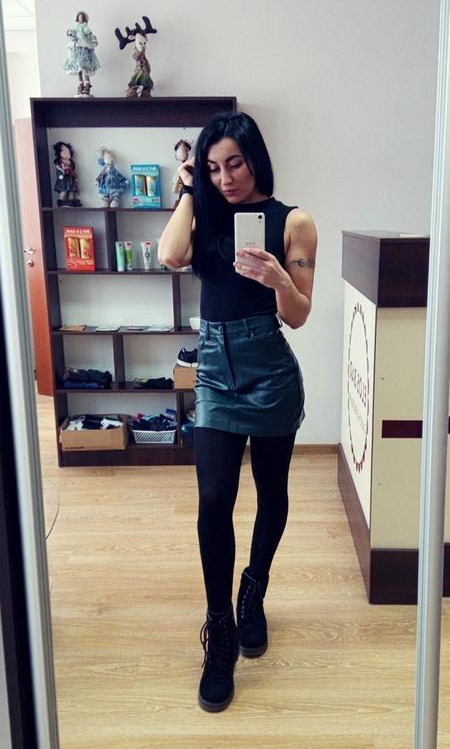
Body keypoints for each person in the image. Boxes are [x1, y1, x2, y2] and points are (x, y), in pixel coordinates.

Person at [158, 111, 317, 713]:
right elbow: (170, 255)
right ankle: (219, 629)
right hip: (215, 371)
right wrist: (187, 189)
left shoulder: (294, 222)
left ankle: (254, 592)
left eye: (235, 164)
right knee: (214, 497)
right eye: (212, 167)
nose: (225, 178)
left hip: (269, 369)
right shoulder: (201, 211)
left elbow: (299, 315)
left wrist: (279, 278)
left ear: (256, 160)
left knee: (272, 492)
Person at [63, 11, 100, 97]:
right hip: (76, 49)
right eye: (79, 17)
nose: (80, 19)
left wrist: (93, 40)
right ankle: (81, 84)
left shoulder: (85, 27)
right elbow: (73, 34)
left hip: (83, 48)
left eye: (82, 17)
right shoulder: (76, 27)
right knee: (78, 69)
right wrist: (70, 33)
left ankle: (87, 84)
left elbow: (89, 34)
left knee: (83, 67)